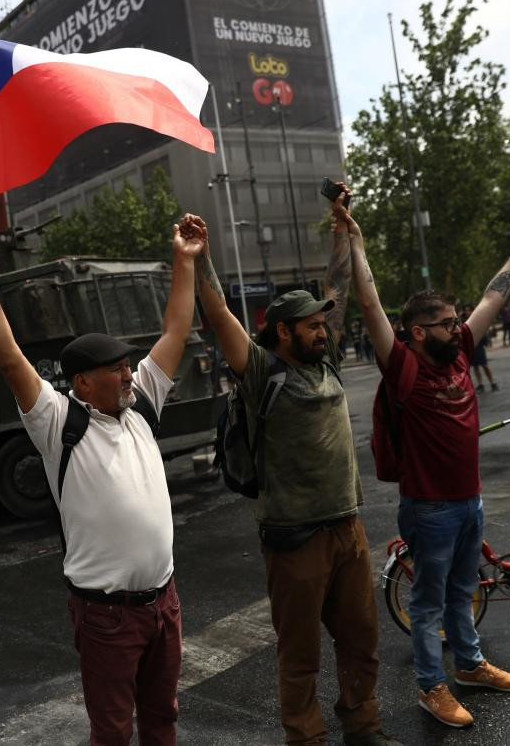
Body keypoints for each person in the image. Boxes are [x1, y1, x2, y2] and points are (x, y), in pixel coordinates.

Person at [0, 218, 200, 745]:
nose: (128, 374)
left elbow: (175, 332)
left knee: (163, 718)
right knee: (113, 731)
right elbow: (8, 358)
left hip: (164, 603)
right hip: (107, 617)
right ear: (81, 383)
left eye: (127, 366)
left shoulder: (139, 403)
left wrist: (184, 260)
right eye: (116, 369)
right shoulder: (58, 422)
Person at [193, 187, 399, 746]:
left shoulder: (327, 361)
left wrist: (340, 228)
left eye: (321, 323)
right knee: (300, 652)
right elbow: (217, 314)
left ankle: (364, 726)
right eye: (310, 324)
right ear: (283, 331)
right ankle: (305, 738)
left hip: (347, 526)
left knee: (360, 640)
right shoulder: (262, 371)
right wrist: (200, 255)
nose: (322, 328)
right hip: (294, 537)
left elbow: (338, 289)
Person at [350, 210, 510, 728]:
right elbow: (369, 303)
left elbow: (494, 295)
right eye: (444, 322)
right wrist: (355, 242)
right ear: (416, 331)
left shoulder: (459, 353)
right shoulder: (404, 369)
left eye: (456, 319)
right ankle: (430, 686)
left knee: (465, 591)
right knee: (429, 601)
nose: (458, 326)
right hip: (430, 508)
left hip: (469, 501)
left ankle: (471, 666)